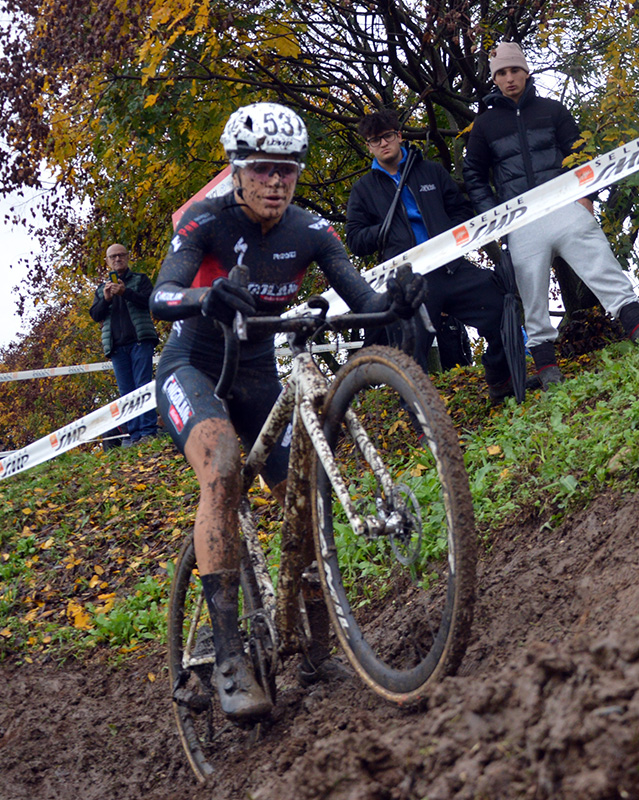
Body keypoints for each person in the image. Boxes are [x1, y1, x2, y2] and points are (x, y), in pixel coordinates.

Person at [149, 102, 424, 721]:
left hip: (253, 378)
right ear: (239, 170)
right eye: (265, 169)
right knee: (221, 465)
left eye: (289, 171)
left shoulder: (311, 231)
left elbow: (363, 299)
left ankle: (315, 633)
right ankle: (227, 655)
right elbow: (160, 297)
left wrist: (397, 303)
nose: (277, 182)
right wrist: (204, 295)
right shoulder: (205, 222)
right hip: (192, 369)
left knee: (306, 485)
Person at [462, 41, 639, 389]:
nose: (509, 79)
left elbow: (579, 152)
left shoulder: (552, 110)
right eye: (501, 73)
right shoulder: (485, 125)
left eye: (514, 71)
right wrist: (493, 219)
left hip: (565, 206)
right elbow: (473, 173)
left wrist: (587, 196)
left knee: (603, 267)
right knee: (532, 295)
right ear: (495, 78)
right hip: (520, 220)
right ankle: (549, 371)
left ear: (525, 72)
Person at [346, 111, 515, 403]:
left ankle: (500, 380)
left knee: (501, 306)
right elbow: (355, 240)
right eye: (375, 140)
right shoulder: (364, 189)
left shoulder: (431, 171)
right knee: (410, 352)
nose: (383, 143)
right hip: (409, 280)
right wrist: (383, 231)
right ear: (369, 146)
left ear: (399, 136)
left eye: (388, 136)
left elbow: (461, 210)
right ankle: (423, 420)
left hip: (451, 267)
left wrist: (447, 237)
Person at [90, 243, 159, 444]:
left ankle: (148, 432)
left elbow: (151, 302)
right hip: (116, 347)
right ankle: (134, 435)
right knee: (126, 393)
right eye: (113, 257)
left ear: (128, 257)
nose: (117, 259)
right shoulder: (102, 289)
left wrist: (125, 292)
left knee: (143, 386)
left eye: (121, 255)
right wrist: (106, 299)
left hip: (140, 341)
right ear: (107, 261)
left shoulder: (140, 280)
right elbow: (95, 315)